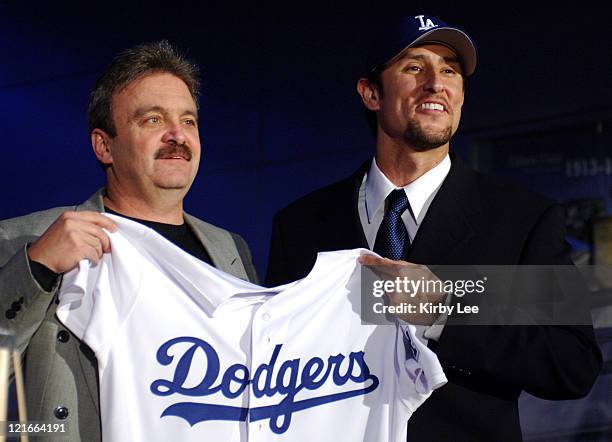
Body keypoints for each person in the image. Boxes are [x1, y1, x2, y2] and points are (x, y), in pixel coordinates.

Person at [265, 15, 603, 441]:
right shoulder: (301, 225)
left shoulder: (521, 219)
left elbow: (572, 364)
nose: (436, 83)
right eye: (414, 67)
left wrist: (444, 312)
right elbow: (274, 364)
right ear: (371, 93)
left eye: (449, 70)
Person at [0, 40, 257, 441]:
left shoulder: (231, 251)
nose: (177, 135)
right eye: (153, 120)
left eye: (188, 121)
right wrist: (36, 267)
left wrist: (378, 294)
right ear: (105, 146)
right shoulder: (25, 238)